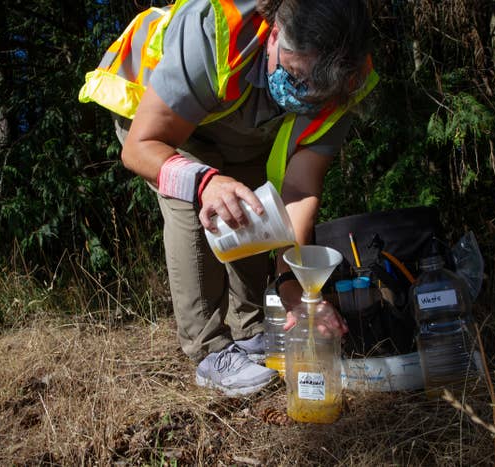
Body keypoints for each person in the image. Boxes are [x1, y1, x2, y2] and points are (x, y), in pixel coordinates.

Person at [79, 0, 377, 396]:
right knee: (193, 205)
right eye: (294, 75)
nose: (301, 97)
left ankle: (251, 329)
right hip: (156, 123)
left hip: (231, 127)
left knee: (255, 208)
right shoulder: (215, 34)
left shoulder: (350, 78)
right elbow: (139, 149)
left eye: (316, 93)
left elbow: (300, 190)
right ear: (273, 34)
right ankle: (209, 349)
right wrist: (204, 182)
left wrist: (295, 286)